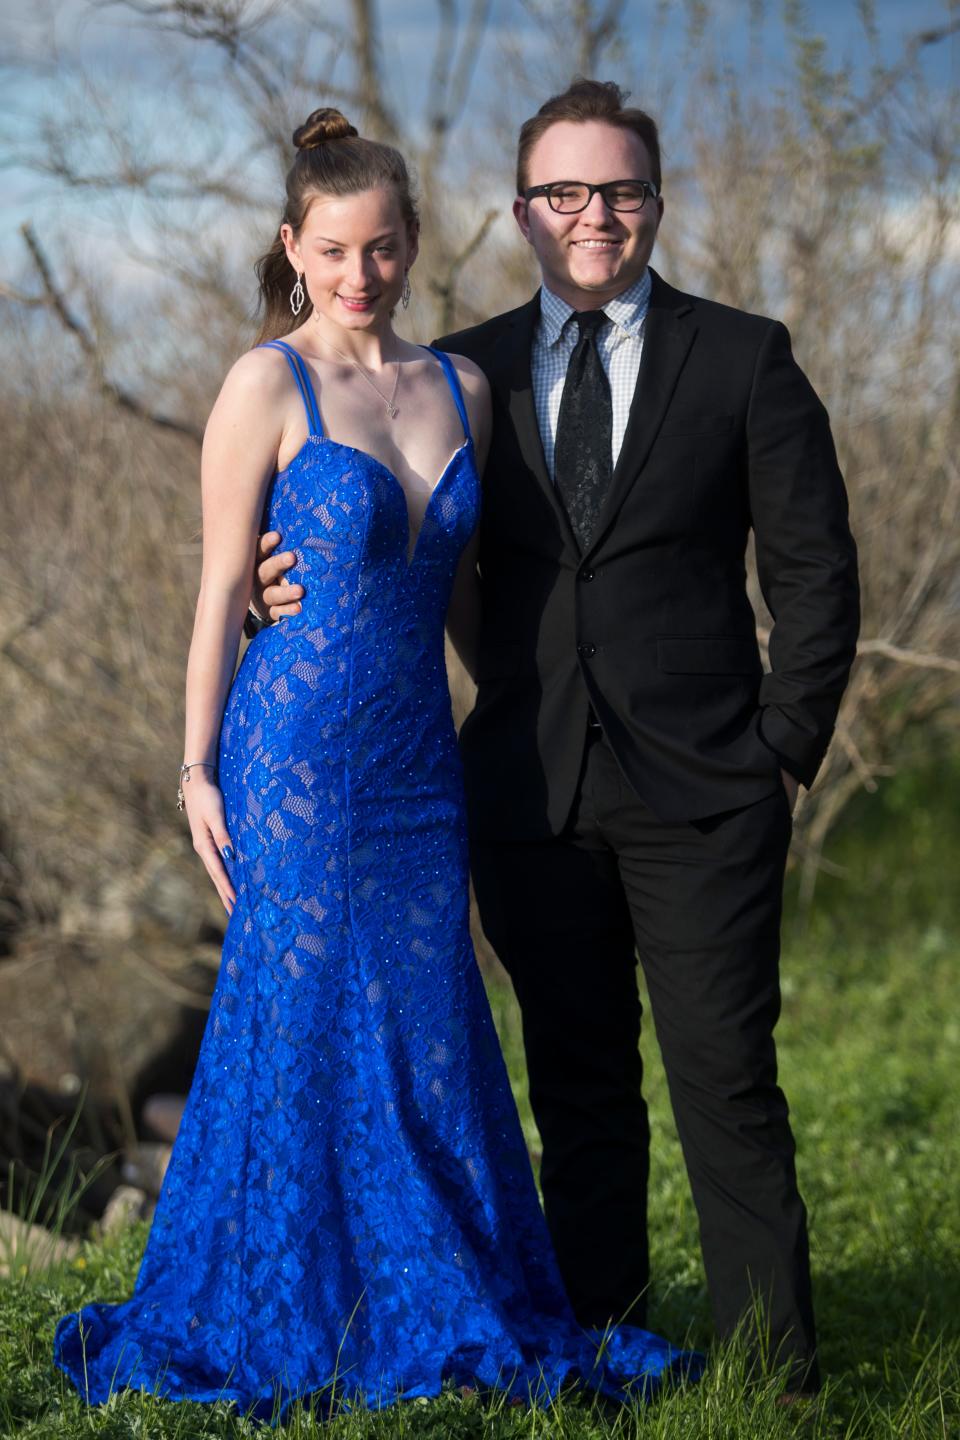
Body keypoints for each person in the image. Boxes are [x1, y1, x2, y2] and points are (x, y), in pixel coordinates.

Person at [52, 108, 699, 1423]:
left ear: (413, 248)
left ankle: (427, 1286)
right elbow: (221, 588)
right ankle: (291, 1300)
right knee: (296, 1023)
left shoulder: (459, 387)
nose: (362, 275)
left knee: (421, 1031)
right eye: (336, 251)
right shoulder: (263, 385)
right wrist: (195, 774)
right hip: (291, 754)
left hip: (418, 761)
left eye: (386, 249)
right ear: (294, 248)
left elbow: (468, 593)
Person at [254, 81, 860, 1396]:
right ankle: (601, 1350)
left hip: (709, 794)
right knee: (579, 1099)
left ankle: (777, 1377)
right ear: (523, 211)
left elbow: (817, 572)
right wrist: (270, 578)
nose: (596, 217)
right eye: (565, 194)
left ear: (655, 202)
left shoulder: (745, 358)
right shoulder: (459, 377)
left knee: (728, 1090)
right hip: (530, 795)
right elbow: (390, 542)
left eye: (622, 192)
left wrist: (783, 749)